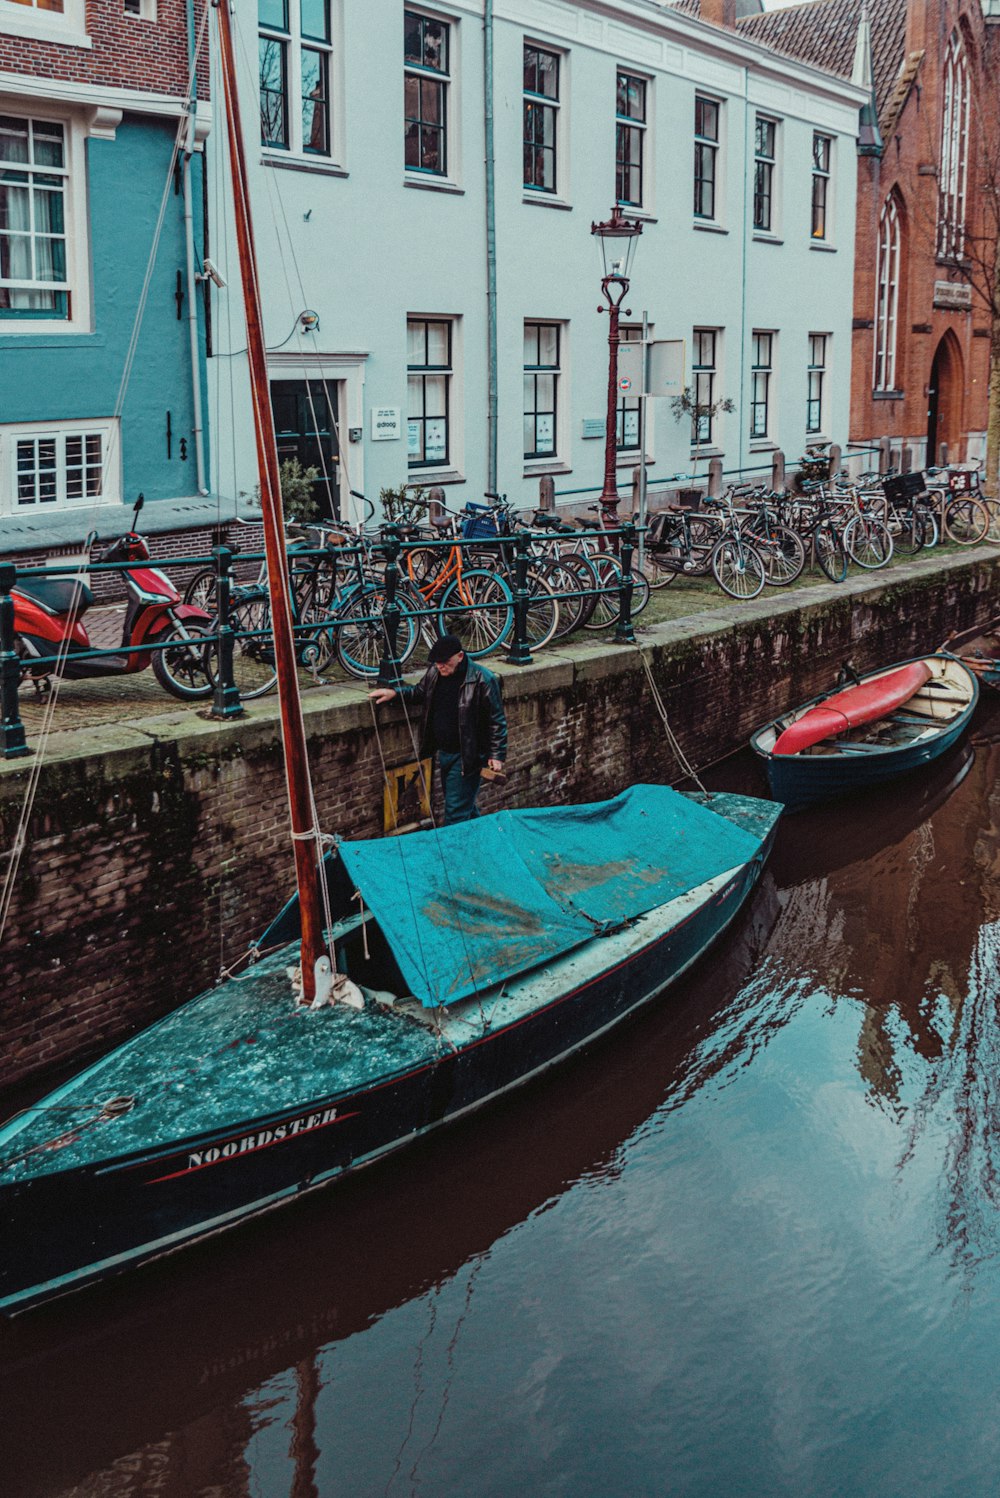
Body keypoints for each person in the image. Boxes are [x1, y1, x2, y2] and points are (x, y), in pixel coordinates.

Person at [369, 635, 507, 824]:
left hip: (467, 756)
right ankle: (481, 838)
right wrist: (394, 694)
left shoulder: (483, 679)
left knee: (455, 813)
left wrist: (496, 754)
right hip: (444, 752)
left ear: (460, 656)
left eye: (444, 662)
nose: (440, 666)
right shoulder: (435, 672)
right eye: (437, 663)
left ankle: (454, 850)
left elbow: (496, 720)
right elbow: (419, 692)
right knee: (464, 805)